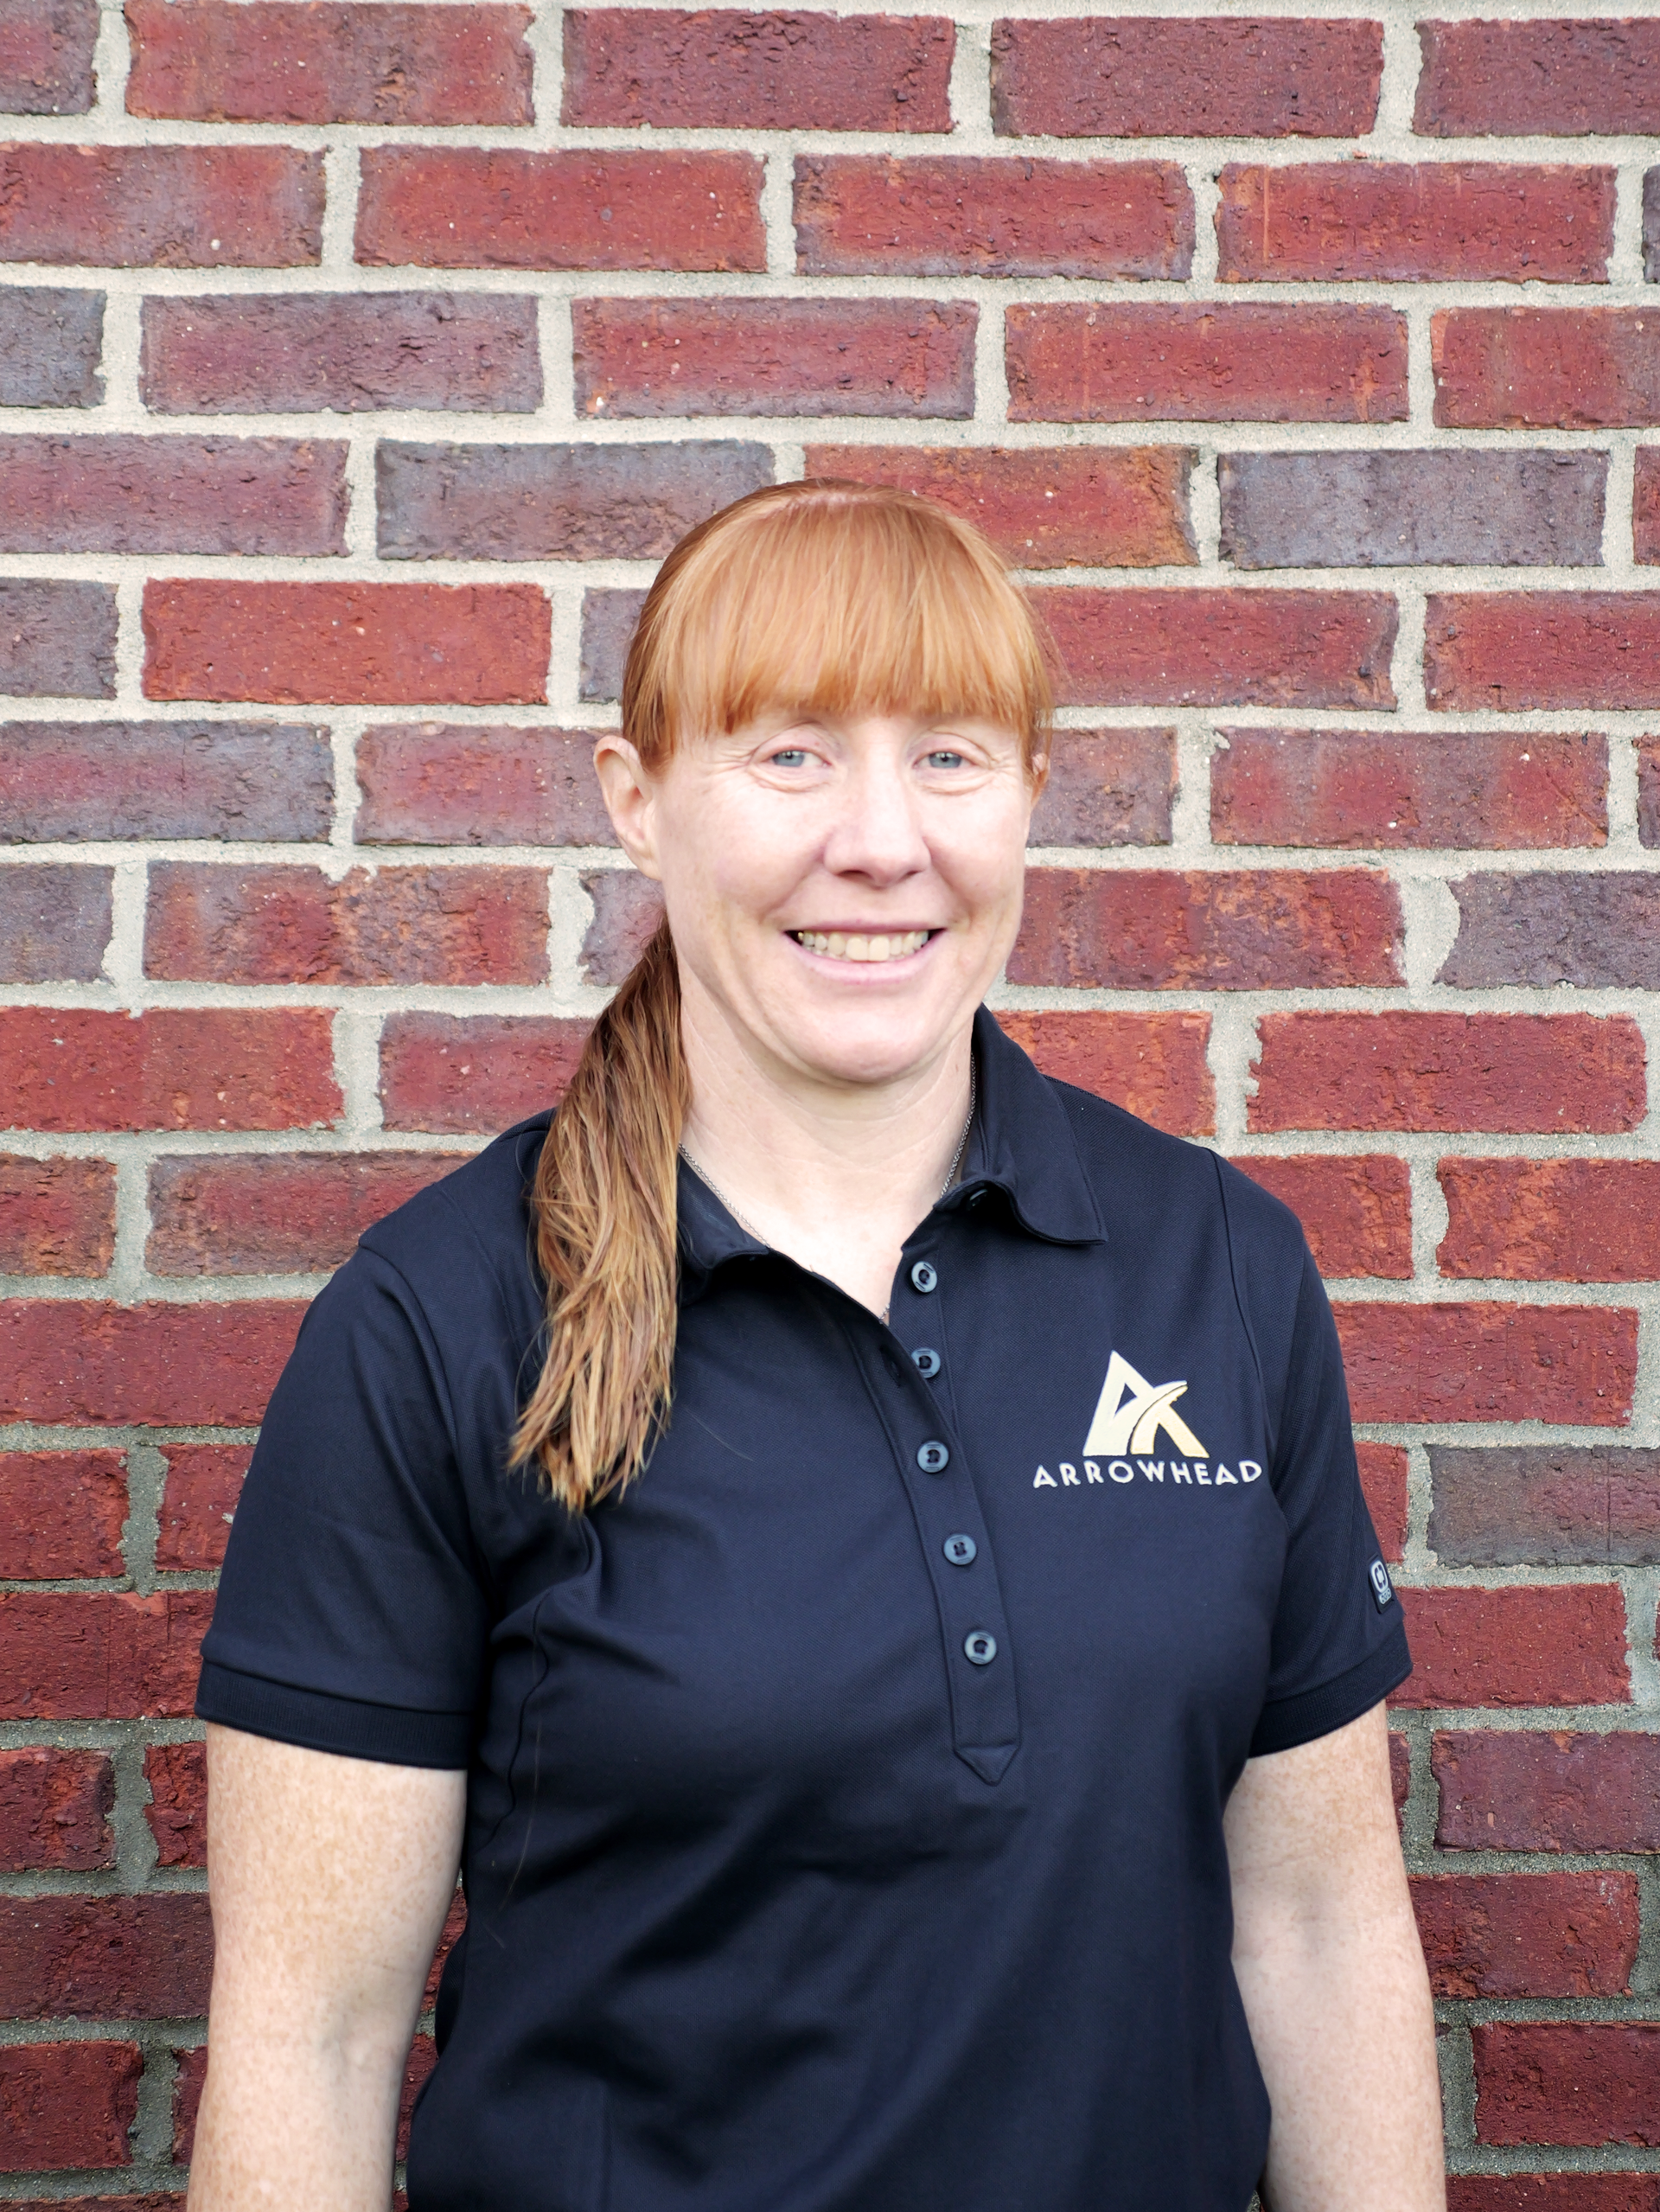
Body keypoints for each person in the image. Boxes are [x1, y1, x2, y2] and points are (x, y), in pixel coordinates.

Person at [188, 481, 1445, 2212]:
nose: (880, 840)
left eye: (949, 757)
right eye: (789, 755)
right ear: (638, 802)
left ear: (1029, 801)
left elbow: (1317, 1928)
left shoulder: (1212, 1265)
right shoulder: (442, 1320)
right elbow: (312, 2042)